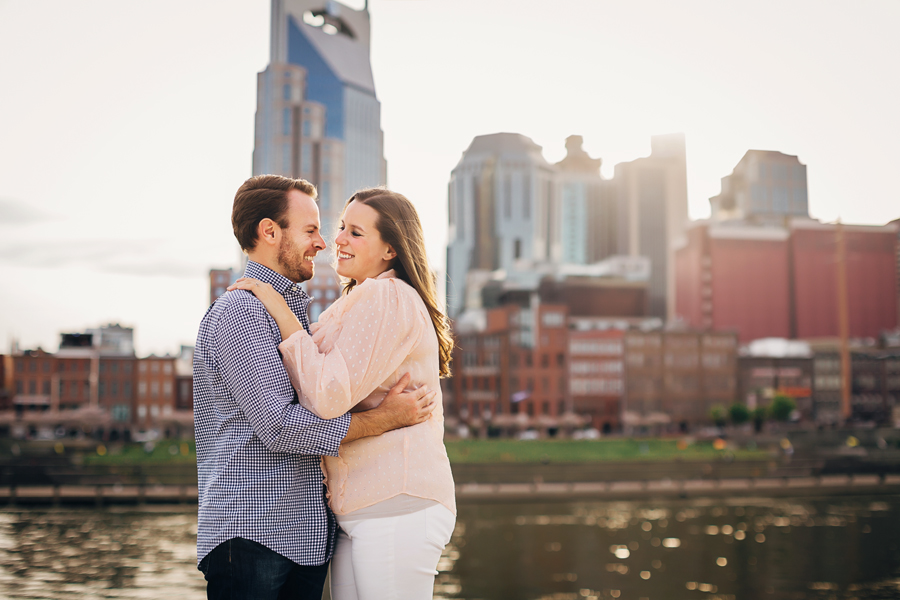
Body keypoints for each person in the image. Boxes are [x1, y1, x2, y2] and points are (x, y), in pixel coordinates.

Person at [193, 175, 438, 600]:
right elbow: (282, 427)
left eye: (342, 230)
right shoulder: (241, 313)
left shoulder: (302, 312)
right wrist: (386, 418)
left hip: (305, 539)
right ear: (270, 232)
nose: (324, 242)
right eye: (311, 230)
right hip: (254, 535)